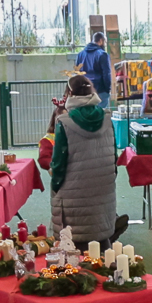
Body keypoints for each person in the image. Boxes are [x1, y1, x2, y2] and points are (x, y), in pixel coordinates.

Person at [50, 74, 127, 247]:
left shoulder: (64, 122)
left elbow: (59, 166)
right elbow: (113, 159)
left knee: (72, 249)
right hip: (103, 191)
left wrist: (55, 187)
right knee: (101, 243)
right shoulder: (108, 118)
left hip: (73, 197)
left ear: (69, 93)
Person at [75, 31, 113, 98]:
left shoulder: (80, 55)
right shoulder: (102, 54)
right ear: (101, 41)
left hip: (84, 90)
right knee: (101, 108)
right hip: (100, 90)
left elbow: (77, 73)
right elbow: (106, 74)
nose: (105, 44)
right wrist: (107, 90)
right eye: (105, 42)